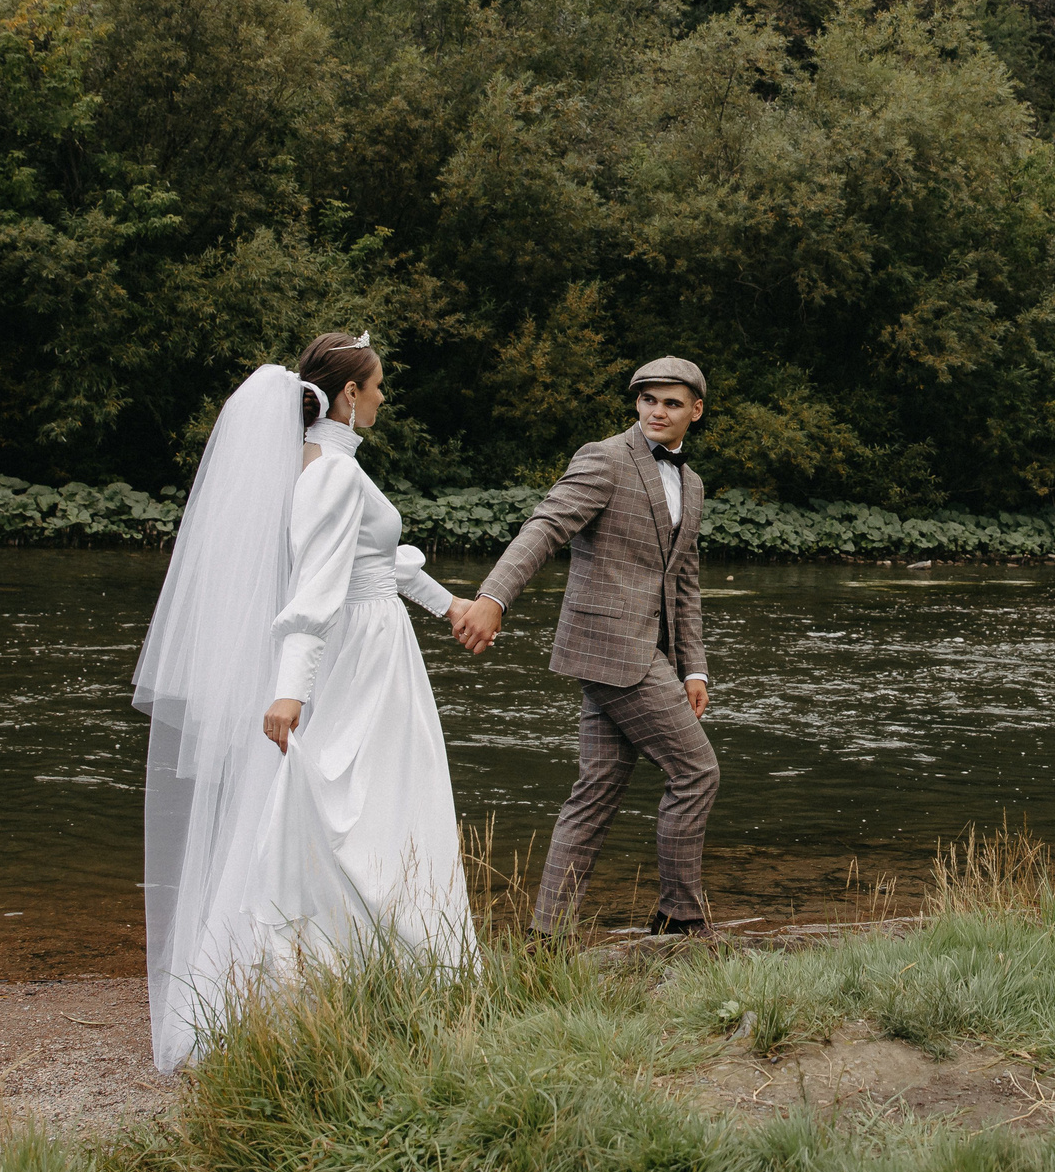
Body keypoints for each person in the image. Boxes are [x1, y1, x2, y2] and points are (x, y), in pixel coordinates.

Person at [133, 332, 476, 1072]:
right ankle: (345, 976)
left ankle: (377, 976)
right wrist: (289, 692)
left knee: (375, 805)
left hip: (379, 647)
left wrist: (451, 604)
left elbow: (379, 562)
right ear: (349, 394)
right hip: (359, 662)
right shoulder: (331, 477)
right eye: (378, 385)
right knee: (355, 809)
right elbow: (315, 592)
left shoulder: (334, 466)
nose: (384, 397)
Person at [449, 359, 717, 937]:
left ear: (695, 410)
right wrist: (493, 597)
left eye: (670, 403)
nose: (655, 412)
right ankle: (679, 917)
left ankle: (547, 935)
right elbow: (544, 527)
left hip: (648, 653)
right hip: (609, 647)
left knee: (595, 792)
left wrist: (693, 668)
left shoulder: (690, 485)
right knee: (696, 772)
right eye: (647, 400)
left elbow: (685, 581)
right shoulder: (605, 458)